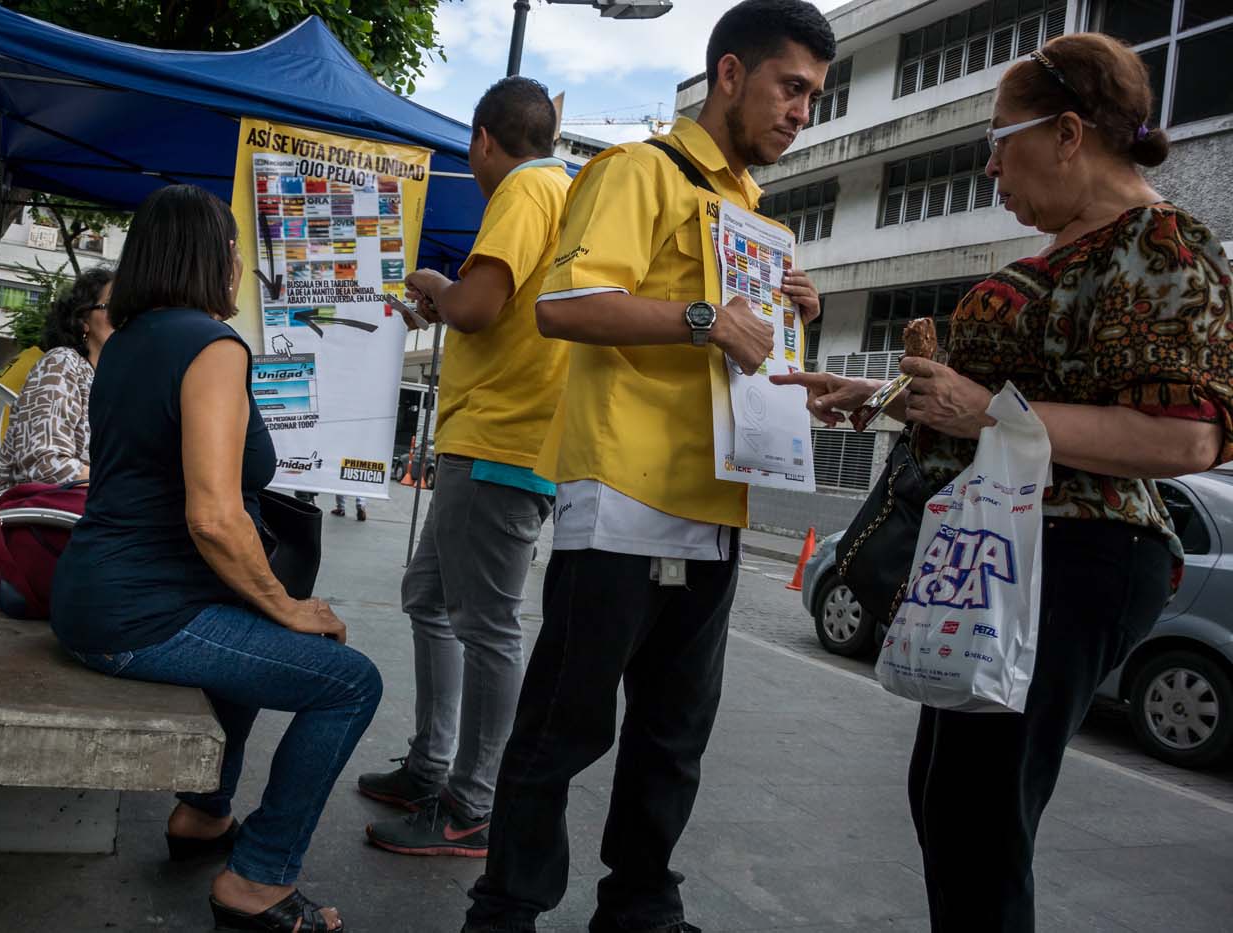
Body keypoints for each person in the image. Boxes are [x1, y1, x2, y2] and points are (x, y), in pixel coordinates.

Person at [774, 34, 1233, 933]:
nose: (989, 167)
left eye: (999, 140)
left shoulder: (1167, 247)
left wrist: (982, 410)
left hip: (1076, 551)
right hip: (1012, 546)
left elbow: (1190, 436)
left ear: (1068, 133)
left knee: (978, 817)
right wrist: (881, 394)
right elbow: (1012, 403)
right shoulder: (1080, 243)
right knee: (950, 800)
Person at [464, 4, 830, 931]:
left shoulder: (751, 213)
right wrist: (709, 319)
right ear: (731, 74)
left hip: (719, 501)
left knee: (674, 735)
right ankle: (505, 908)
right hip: (623, 492)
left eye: (815, 98)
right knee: (564, 724)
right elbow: (568, 306)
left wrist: (790, 327)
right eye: (792, 88)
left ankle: (640, 904)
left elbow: (739, 351)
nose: (801, 113)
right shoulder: (639, 171)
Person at [51, 184, 380, 933]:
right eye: (234, 250)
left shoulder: (131, 339)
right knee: (350, 683)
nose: (240, 265)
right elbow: (214, 515)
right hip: (140, 611)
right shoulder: (210, 346)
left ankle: (204, 817)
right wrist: (288, 603)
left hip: (97, 593)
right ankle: (257, 880)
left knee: (251, 631)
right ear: (214, 258)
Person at [358, 76, 571, 859]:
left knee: (485, 626)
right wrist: (446, 306)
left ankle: (473, 803)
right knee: (430, 598)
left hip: (499, 443)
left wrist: (439, 285)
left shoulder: (521, 190)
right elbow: (497, 313)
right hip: (498, 439)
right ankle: (431, 766)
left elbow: (480, 304)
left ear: (483, 138)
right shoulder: (563, 187)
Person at [0, 268, 113, 488]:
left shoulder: (112, 379)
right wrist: (122, 487)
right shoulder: (62, 363)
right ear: (83, 319)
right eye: (112, 307)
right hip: (48, 513)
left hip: (90, 507)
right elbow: (45, 464)